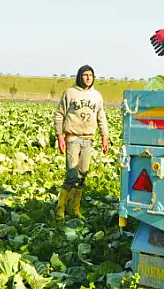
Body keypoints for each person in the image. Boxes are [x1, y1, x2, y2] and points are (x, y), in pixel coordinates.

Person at [53, 65, 109, 220]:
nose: (88, 78)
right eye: (85, 75)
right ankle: (60, 210)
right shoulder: (70, 93)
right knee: (71, 174)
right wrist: (59, 136)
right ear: (79, 76)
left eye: (90, 75)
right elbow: (59, 114)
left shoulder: (97, 96)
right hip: (72, 138)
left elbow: (101, 117)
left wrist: (105, 137)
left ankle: (75, 209)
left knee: (82, 175)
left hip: (88, 139)